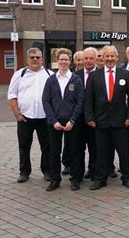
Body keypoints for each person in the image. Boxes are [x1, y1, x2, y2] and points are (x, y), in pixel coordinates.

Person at [84, 45, 129, 190]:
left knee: (124, 153)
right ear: (102, 58)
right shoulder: (94, 76)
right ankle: (100, 179)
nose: (109, 58)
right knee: (101, 153)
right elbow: (88, 100)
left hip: (121, 122)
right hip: (101, 122)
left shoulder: (125, 74)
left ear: (117, 57)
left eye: (112, 56)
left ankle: (127, 178)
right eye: (107, 56)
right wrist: (89, 118)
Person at [42, 48, 84, 191]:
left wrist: (72, 121)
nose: (64, 62)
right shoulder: (51, 80)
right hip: (55, 123)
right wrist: (54, 121)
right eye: (61, 59)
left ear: (70, 61)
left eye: (66, 59)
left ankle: (76, 179)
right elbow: (46, 101)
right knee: (54, 152)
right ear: (57, 61)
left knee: (75, 151)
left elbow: (80, 102)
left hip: (72, 123)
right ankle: (55, 180)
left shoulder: (76, 80)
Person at [7, 47, 51, 183]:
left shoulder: (50, 74)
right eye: (32, 57)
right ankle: (24, 172)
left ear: (42, 59)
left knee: (47, 146)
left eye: (38, 57)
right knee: (24, 146)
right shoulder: (19, 74)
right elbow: (12, 95)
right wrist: (16, 114)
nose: (35, 59)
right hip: (25, 117)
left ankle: (47, 170)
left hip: (45, 117)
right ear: (27, 59)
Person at [74, 47, 99, 180]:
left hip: (95, 119)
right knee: (78, 148)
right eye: (86, 58)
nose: (88, 61)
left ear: (96, 59)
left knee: (94, 147)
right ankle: (78, 174)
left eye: (91, 58)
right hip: (78, 119)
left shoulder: (101, 74)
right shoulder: (75, 76)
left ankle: (94, 171)